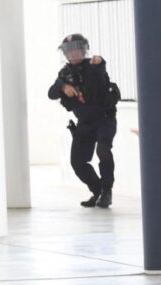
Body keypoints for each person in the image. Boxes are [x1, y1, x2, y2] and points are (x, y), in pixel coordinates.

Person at [48, 34, 118, 208]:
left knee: (103, 150)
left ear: (84, 50)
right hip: (84, 123)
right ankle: (98, 191)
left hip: (104, 119)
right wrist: (64, 87)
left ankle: (107, 191)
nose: (73, 54)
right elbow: (51, 93)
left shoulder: (93, 67)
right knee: (77, 162)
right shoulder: (65, 74)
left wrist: (100, 63)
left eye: (77, 50)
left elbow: (100, 76)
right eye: (69, 51)